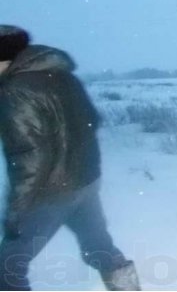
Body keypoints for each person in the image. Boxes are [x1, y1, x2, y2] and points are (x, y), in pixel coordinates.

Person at [0, 25, 140, 291]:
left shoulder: (14, 92)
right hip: (85, 182)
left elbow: (29, 157)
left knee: (7, 269)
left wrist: (16, 212)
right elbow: (90, 122)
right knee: (99, 247)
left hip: (49, 192)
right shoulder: (64, 77)